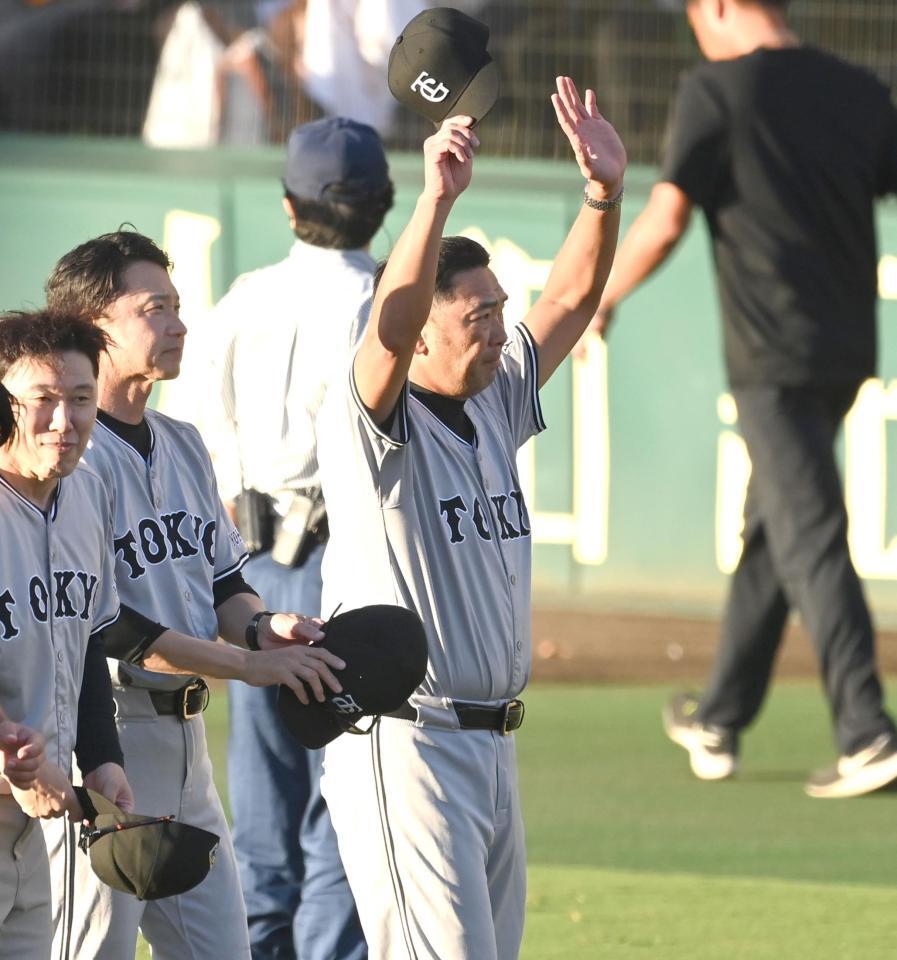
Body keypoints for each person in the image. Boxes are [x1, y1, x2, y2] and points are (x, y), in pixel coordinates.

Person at [314, 77, 625, 959]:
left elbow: (566, 301)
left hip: (491, 749)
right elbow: (389, 323)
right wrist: (436, 202)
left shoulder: (490, 401)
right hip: (407, 741)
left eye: (497, 312)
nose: (499, 330)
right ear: (421, 334)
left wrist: (602, 196)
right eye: (479, 316)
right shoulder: (376, 417)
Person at [590, 0, 897, 798]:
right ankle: (719, 717)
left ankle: (865, 731)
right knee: (775, 525)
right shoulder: (859, 88)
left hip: (771, 355)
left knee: (810, 530)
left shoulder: (717, 91)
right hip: (843, 351)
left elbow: (663, 217)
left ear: (719, 7)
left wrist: (602, 297)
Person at [43, 231, 347, 959]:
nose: (179, 324)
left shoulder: (181, 442)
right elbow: (107, 627)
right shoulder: (73, 465)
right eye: (156, 308)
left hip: (186, 748)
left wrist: (266, 629)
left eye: (178, 307)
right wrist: (244, 667)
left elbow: (223, 586)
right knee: (92, 951)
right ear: (95, 328)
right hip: (106, 743)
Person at [204, 116, 393, 960]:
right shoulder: (389, 297)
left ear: (288, 205)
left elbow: (205, 428)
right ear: (383, 204)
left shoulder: (246, 294)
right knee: (345, 792)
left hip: (249, 575)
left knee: (264, 794)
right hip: (350, 561)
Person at [0, 311, 132, 959]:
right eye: (42, 401)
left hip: (31, 827)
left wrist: (104, 759)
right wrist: (18, 770)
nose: (65, 421)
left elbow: (86, 643)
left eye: (81, 399)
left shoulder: (89, 494)